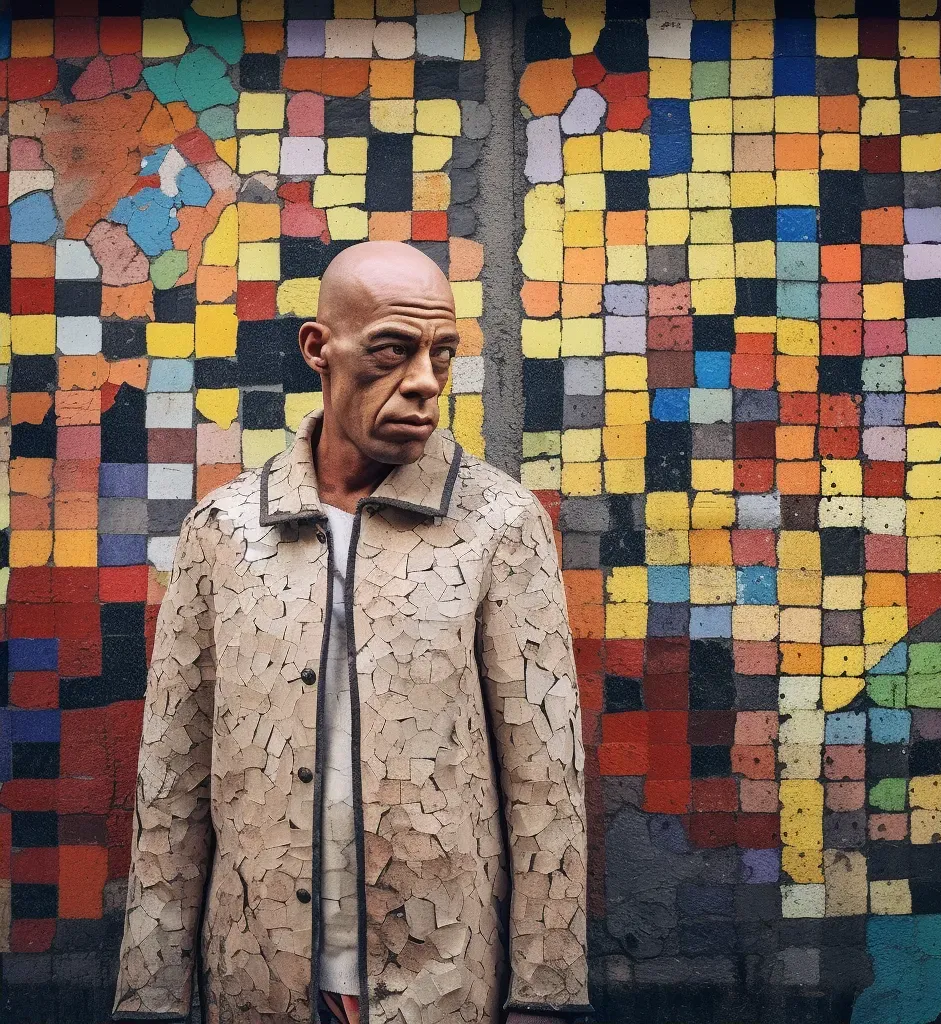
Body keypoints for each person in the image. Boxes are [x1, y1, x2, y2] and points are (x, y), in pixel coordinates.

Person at [111, 242, 590, 1024]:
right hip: (257, 985)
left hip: (441, 987)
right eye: (393, 353)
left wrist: (548, 995)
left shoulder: (500, 524)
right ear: (318, 350)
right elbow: (170, 783)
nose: (426, 383)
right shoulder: (222, 531)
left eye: (443, 355)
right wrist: (150, 999)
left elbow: (547, 781)